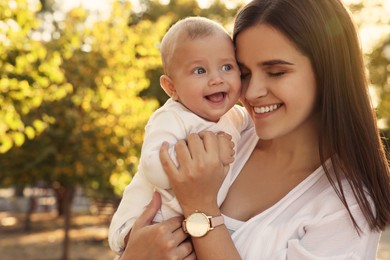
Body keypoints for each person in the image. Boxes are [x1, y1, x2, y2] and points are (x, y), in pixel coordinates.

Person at [119, 0, 390, 259]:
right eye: (243, 73)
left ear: (327, 70)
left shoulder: (347, 206)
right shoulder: (227, 133)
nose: (251, 92)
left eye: (276, 72)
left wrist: (201, 208)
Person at [108, 16, 253, 256]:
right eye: (199, 70)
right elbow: (154, 165)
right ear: (171, 88)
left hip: (188, 227)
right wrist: (212, 150)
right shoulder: (172, 118)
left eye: (227, 67)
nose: (216, 78)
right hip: (147, 221)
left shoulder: (236, 116)